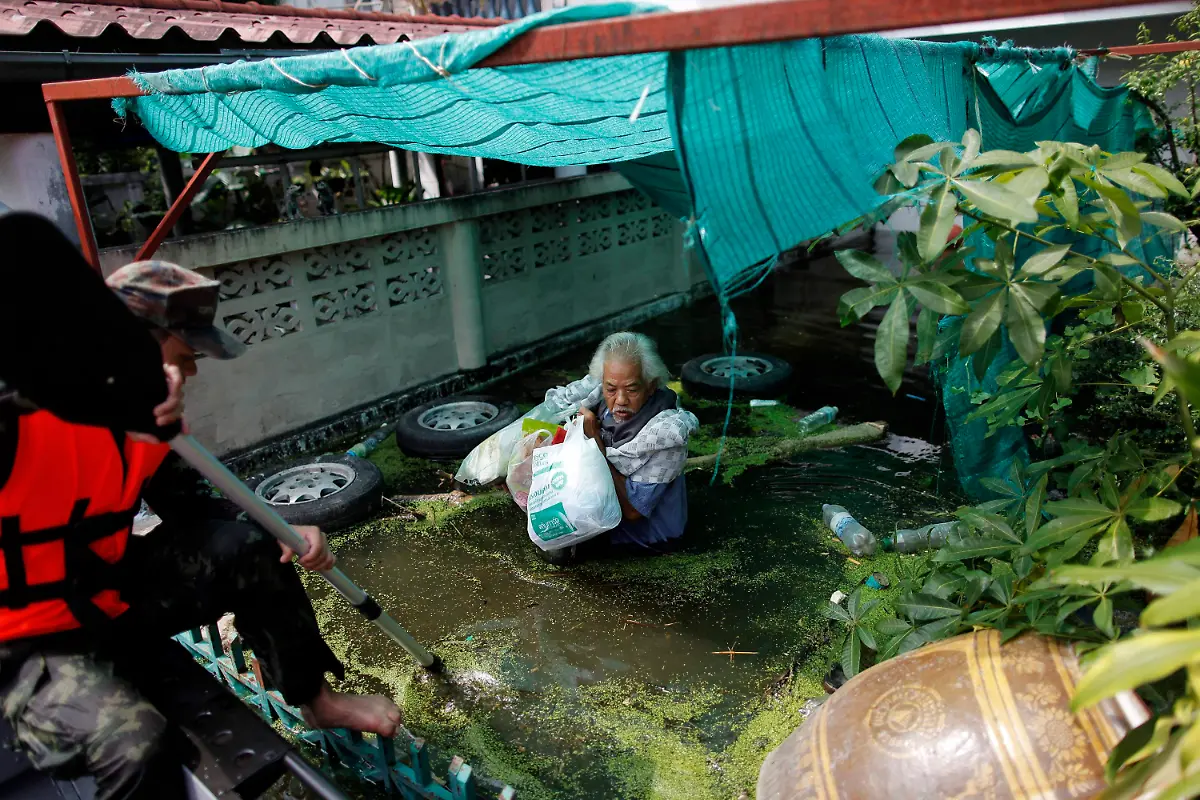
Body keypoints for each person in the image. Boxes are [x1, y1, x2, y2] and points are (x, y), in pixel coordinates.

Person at [0, 259, 401, 799]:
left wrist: (286, 531)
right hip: (23, 641)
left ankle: (318, 700)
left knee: (251, 544)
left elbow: (193, 507)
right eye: (185, 357)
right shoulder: (23, 418)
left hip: (109, 597)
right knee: (137, 746)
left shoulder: (152, 430)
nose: (190, 374)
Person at [544, 332, 698, 562]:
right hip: (605, 516)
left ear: (651, 386)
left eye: (632, 389)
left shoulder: (667, 435)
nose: (621, 400)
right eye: (611, 389)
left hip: (646, 539)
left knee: (558, 554)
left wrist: (595, 442)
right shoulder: (599, 401)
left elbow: (633, 510)